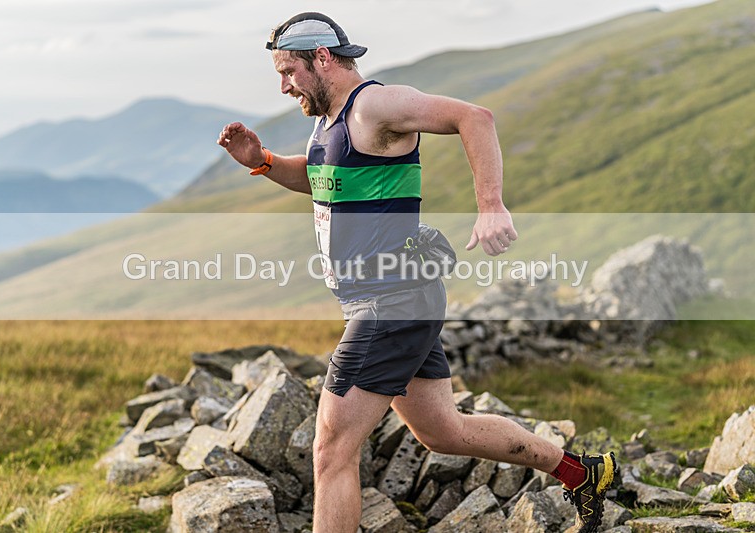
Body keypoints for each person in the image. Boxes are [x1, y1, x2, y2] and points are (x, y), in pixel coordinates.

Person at [218, 12, 617, 533]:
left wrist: (491, 205)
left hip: (390, 302)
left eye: (288, 70)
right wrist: (264, 160)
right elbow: (321, 181)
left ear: (321, 58)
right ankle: (581, 473)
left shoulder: (375, 105)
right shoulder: (327, 122)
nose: (283, 84)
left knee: (332, 449)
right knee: (443, 431)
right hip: (396, 299)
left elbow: (476, 117)